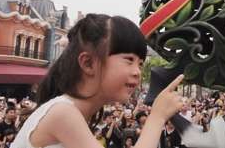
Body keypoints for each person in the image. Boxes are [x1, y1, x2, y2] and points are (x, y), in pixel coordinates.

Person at [10, 14, 185, 148]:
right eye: (129, 60)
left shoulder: (69, 111)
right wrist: (157, 116)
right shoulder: (62, 113)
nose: (137, 72)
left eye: (140, 63)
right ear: (88, 63)